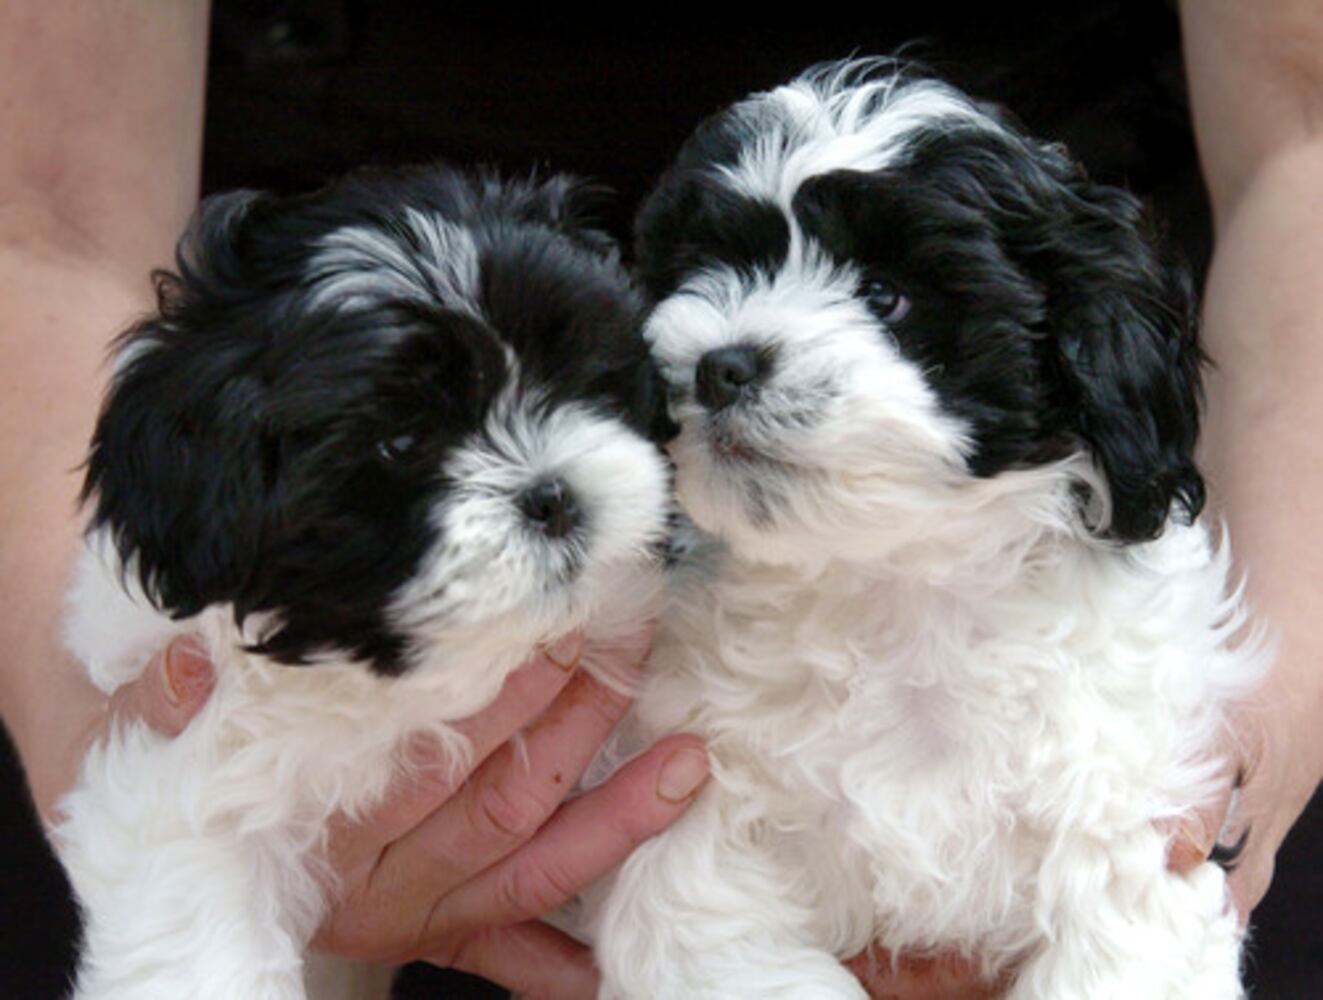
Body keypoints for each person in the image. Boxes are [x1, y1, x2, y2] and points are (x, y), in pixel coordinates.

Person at [1, 2, 1317, 998]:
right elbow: (41, 224)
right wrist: (165, 792)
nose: (738, 343)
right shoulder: (667, 617)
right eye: (720, 273)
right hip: (318, 424)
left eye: (881, 296)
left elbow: (1305, 136)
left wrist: (1242, 763)